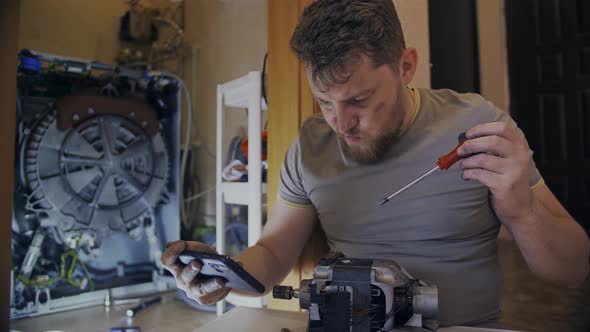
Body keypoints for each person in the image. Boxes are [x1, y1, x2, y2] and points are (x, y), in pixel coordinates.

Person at [161, 0, 590, 327]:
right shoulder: (310, 147)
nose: (341, 123)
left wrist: (522, 209)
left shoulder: (478, 128)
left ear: (406, 67)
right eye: (325, 102)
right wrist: (222, 276)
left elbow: (573, 270)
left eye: (359, 100)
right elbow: (273, 253)